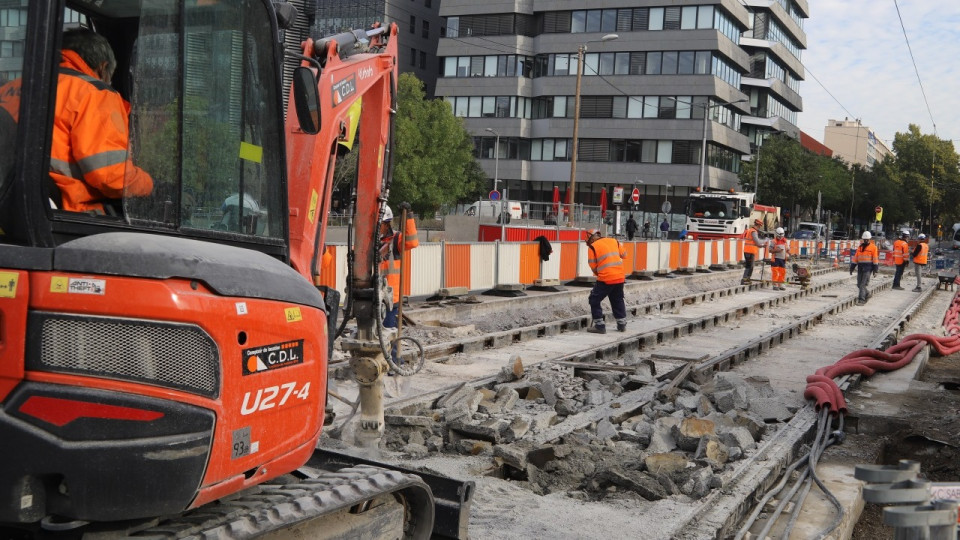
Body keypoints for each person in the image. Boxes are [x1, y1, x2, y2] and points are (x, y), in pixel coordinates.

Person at [43, 29, 153, 213]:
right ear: (103, 68)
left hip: (25, 205)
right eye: (110, 76)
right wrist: (151, 185)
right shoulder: (94, 93)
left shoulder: (15, 87)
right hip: (68, 211)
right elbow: (110, 175)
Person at [380, 202, 419, 362]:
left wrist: (408, 216)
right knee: (374, 333)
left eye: (379, 224)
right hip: (372, 295)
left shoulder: (396, 239)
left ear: (387, 224)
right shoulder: (368, 241)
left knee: (389, 331)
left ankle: (394, 362)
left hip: (390, 297)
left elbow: (412, 241)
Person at [584, 229, 627, 334]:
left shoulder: (592, 247)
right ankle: (621, 324)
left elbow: (593, 266)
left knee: (594, 299)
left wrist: (600, 274)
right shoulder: (614, 241)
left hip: (606, 277)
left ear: (591, 238)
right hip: (619, 276)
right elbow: (624, 255)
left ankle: (599, 326)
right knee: (617, 299)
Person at [850, 231, 879, 305]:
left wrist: (875, 270)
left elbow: (875, 259)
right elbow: (855, 258)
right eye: (864, 239)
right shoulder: (860, 247)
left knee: (863, 285)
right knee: (859, 284)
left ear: (869, 239)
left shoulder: (873, 247)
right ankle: (867, 294)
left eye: (867, 239)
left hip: (868, 268)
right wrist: (852, 268)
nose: (865, 240)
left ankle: (862, 300)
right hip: (860, 268)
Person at [741, 218, 768, 285]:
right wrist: (765, 240)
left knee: (750, 266)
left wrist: (762, 246)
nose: (760, 227)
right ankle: (745, 279)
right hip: (749, 251)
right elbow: (757, 242)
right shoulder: (753, 231)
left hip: (749, 251)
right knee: (749, 266)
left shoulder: (750, 230)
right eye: (760, 226)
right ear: (759, 225)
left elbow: (755, 243)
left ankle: (747, 279)